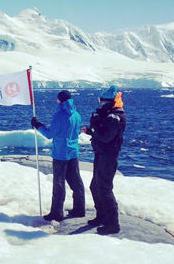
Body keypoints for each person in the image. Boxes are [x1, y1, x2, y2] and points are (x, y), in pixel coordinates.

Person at [31, 90, 85, 222]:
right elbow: (77, 133)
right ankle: (79, 209)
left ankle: (56, 213)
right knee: (76, 182)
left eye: (57, 99)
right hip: (73, 152)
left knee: (59, 184)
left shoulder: (59, 116)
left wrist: (38, 125)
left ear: (61, 100)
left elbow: (50, 134)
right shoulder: (77, 115)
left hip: (61, 154)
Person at [83, 85, 126, 235]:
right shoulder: (108, 115)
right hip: (100, 154)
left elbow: (106, 137)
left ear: (108, 101)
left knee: (104, 189)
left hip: (108, 156)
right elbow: (101, 132)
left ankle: (113, 224)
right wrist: (93, 126)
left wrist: (92, 128)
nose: (100, 103)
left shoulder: (115, 117)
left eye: (101, 101)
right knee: (95, 187)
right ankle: (101, 216)